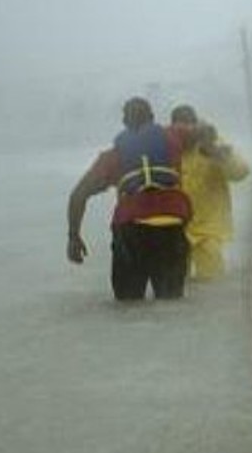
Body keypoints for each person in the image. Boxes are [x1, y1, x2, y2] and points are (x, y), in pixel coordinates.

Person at [66, 97, 194, 301]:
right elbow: (203, 133)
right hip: (171, 229)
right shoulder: (174, 137)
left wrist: (74, 236)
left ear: (125, 123)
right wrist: (214, 149)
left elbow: (78, 196)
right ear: (153, 119)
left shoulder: (113, 156)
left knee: (128, 305)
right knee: (172, 304)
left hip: (131, 233)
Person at [169, 104, 249, 281]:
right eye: (179, 130)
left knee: (212, 284)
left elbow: (241, 172)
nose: (185, 135)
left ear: (196, 127)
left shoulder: (214, 144)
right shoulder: (168, 149)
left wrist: (216, 153)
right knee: (175, 286)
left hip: (209, 230)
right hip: (176, 229)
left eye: (188, 128)